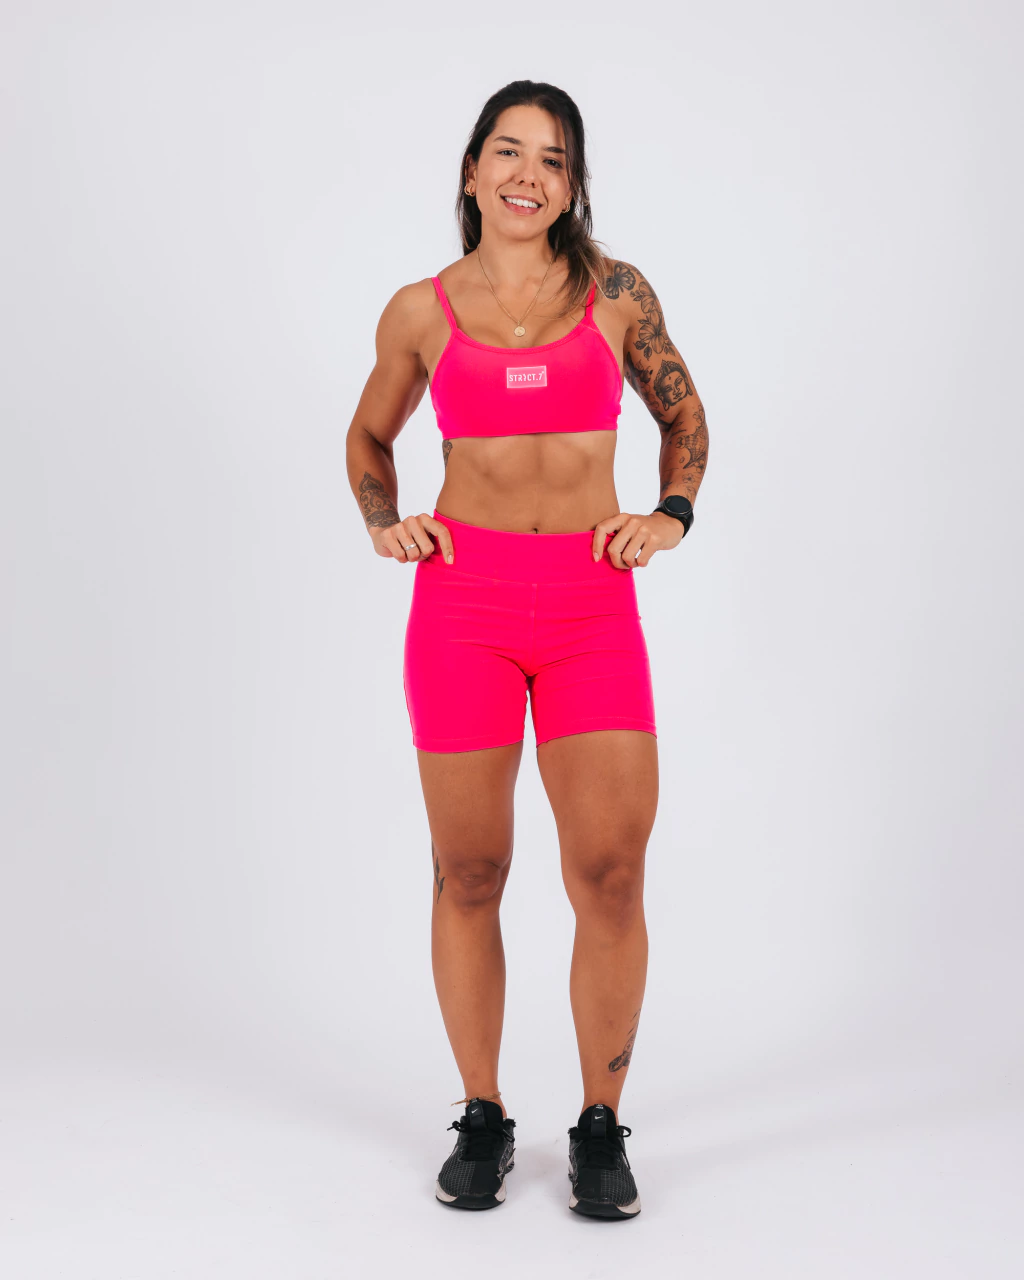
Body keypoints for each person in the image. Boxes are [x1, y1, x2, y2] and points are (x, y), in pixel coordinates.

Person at [345, 79, 708, 1219]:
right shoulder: (420, 310)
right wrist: (383, 518)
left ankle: (599, 1124)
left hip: (591, 606)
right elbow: (368, 434)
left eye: (552, 159)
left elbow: (684, 415)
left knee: (610, 871)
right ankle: (484, 1112)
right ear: (472, 172)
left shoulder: (616, 294)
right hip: (466, 605)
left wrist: (670, 513)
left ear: (572, 185)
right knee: (470, 871)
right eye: (508, 152)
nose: (527, 175)